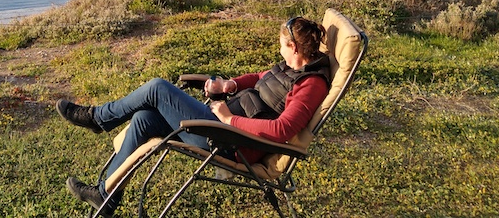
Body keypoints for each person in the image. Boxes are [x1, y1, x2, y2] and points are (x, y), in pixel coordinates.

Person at [56, 16, 331, 216]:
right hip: (220, 125)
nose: (279, 49)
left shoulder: (311, 84)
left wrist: (229, 120)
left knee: (157, 88)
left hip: (230, 141)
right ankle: (106, 197)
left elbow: (282, 129)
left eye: (282, 45)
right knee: (143, 119)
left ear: (294, 47)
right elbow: (261, 78)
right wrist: (229, 85)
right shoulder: (291, 67)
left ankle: (98, 118)